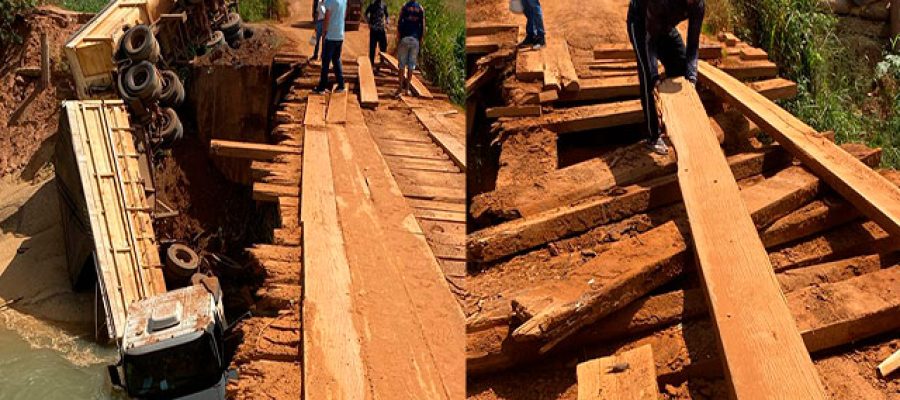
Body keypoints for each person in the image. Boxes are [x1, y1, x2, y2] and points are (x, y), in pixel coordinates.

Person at [627, 0, 705, 155]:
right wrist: (654, 76)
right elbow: (650, 42)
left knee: (681, 65)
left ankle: (678, 123)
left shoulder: (699, 6)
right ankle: (653, 136)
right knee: (647, 77)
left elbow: (693, 45)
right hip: (642, 25)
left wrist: (691, 77)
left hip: (664, 26)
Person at [313, 0, 348, 94]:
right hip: (340, 35)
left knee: (325, 62)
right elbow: (344, 15)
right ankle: (341, 85)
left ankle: (321, 88)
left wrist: (324, 33)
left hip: (331, 35)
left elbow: (327, 17)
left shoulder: (330, 1)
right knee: (336, 60)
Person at [396, 0, 425, 97]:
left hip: (404, 38)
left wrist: (398, 36)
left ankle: (400, 88)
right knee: (411, 66)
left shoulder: (404, 6)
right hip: (415, 39)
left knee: (401, 65)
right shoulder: (420, 8)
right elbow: (423, 25)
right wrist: (421, 39)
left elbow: (399, 21)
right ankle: (407, 89)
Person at [365, 0, 389, 69]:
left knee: (383, 46)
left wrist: (386, 22)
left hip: (381, 29)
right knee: (372, 48)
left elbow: (387, 15)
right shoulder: (372, 5)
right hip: (373, 30)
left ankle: (382, 62)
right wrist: (369, 22)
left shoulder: (384, 5)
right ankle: (371, 64)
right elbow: (366, 14)